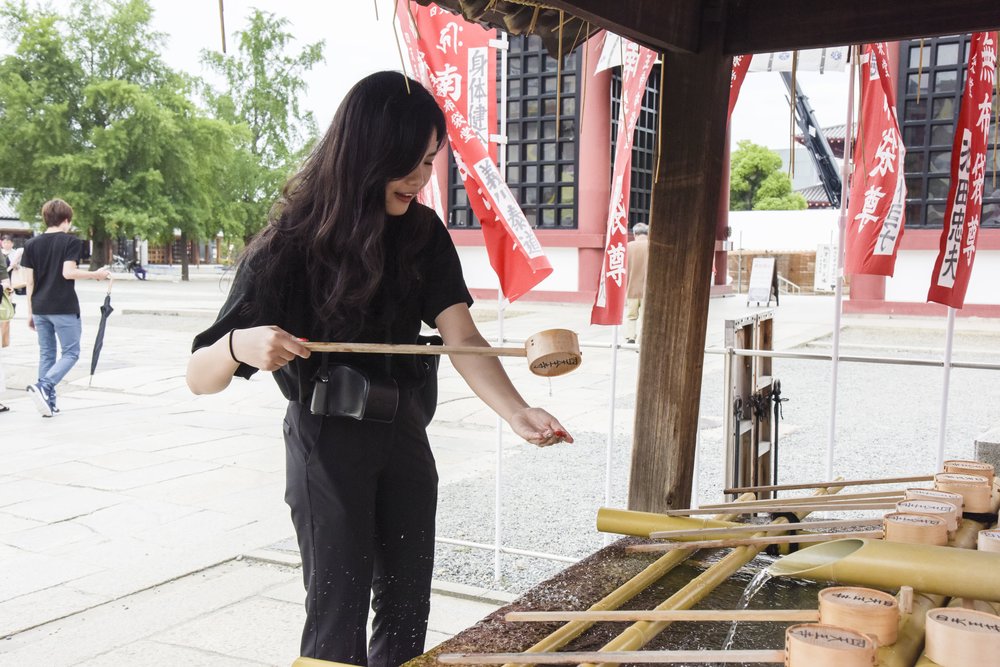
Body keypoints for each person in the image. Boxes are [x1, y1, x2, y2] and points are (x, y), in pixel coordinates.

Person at [186, 71, 572, 666]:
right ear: (366, 154)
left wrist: (518, 411)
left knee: (406, 605)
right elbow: (198, 375)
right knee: (335, 613)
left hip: (404, 435)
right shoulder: (291, 242)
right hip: (327, 441)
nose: (421, 179)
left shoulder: (421, 233)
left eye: (428, 162)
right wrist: (238, 345)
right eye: (409, 163)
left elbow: (461, 336)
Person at [21, 199, 111, 417]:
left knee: (47, 354)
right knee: (71, 352)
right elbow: (68, 272)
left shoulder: (31, 244)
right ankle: (45, 386)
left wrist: (30, 312)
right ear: (66, 220)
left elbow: (29, 282)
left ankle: (48, 403)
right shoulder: (70, 241)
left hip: (40, 306)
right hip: (62, 306)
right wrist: (96, 274)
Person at [624, 222, 649, 344]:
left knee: (631, 315)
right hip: (647, 289)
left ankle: (630, 337)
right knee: (645, 317)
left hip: (631, 288)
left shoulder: (628, 247)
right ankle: (641, 339)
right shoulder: (652, 246)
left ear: (635, 233)